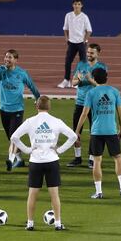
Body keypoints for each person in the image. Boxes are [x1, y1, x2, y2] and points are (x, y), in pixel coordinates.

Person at [11, 96, 77, 231]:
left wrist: (28, 150)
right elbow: (73, 136)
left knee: (32, 194)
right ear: (49, 107)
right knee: (54, 194)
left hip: (35, 162)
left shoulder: (30, 121)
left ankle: (30, 223)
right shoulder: (56, 121)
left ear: (37, 107)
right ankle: (58, 223)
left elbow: (14, 137)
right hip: (52, 161)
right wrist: (60, 150)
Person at [75, 68, 121, 199]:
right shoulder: (114, 91)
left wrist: (77, 131)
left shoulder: (91, 93)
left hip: (96, 131)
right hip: (111, 131)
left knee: (97, 161)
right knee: (118, 158)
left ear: (93, 79)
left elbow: (84, 114)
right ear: (106, 77)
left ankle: (99, 192)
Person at [0, 49, 40, 171]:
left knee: (14, 136)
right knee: (11, 137)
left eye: (10, 57)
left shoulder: (22, 73)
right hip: (3, 109)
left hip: (17, 110)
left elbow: (32, 86)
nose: (6, 59)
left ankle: (11, 159)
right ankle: (19, 159)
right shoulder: (1, 71)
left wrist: (38, 98)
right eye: (5, 57)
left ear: (16, 60)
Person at [67, 43, 107, 168]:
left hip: (95, 104)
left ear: (97, 53)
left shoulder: (102, 67)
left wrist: (90, 81)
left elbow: (103, 86)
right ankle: (77, 158)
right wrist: (78, 80)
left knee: (93, 133)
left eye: (91, 53)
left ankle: (91, 158)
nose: (89, 55)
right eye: (88, 52)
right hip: (80, 103)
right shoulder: (81, 65)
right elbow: (72, 82)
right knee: (76, 132)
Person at [58, 0, 92, 88]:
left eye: (79, 4)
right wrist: (66, 38)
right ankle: (66, 80)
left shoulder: (84, 17)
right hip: (71, 43)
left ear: (81, 6)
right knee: (67, 62)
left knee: (82, 63)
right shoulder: (68, 15)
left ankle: (78, 81)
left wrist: (85, 40)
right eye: (75, 4)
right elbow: (65, 28)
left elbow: (89, 30)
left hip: (81, 43)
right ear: (73, 5)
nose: (77, 6)